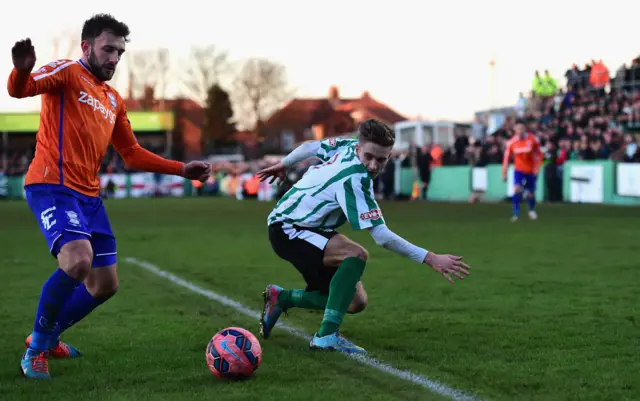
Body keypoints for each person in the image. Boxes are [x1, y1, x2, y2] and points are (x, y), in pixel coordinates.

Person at [7, 14, 211, 379]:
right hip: (52, 184)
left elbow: (131, 153)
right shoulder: (67, 72)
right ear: (86, 47)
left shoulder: (113, 99)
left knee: (104, 285)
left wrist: (181, 169)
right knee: (77, 260)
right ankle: (36, 350)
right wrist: (21, 71)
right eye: (108, 50)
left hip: (89, 196)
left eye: (119, 52)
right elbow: (20, 90)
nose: (114, 58)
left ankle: (50, 336)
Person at [256, 119, 470, 354]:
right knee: (356, 254)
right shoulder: (354, 180)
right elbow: (382, 237)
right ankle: (326, 337)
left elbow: (310, 147)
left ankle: (283, 298)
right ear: (359, 148)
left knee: (355, 302)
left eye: (381, 159)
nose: (373, 165)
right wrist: (430, 258)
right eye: (369, 156)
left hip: (310, 228)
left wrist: (284, 164)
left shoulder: (347, 146)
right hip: (289, 228)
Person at [502, 119, 543, 221]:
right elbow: (506, 158)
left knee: (531, 194)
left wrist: (537, 168)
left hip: (531, 171)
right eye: (518, 129)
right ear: (515, 129)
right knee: (516, 189)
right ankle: (516, 213)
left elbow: (539, 154)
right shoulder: (511, 143)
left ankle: (531, 210)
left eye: (522, 128)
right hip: (519, 170)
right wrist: (504, 172)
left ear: (525, 129)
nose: (520, 131)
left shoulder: (533, 140)